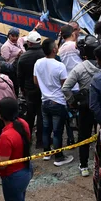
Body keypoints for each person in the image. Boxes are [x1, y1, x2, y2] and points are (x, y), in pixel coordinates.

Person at [62, 35, 101, 176]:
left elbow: (66, 88)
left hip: (85, 106)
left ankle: (84, 165)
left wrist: (72, 102)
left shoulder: (79, 68)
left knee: (84, 136)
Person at [33, 38, 74, 166]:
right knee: (57, 131)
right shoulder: (60, 65)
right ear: (54, 50)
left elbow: (35, 81)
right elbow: (65, 85)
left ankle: (47, 153)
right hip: (58, 102)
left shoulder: (38, 63)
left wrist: (45, 90)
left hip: (44, 101)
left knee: (46, 128)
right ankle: (59, 157)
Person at [16, 31, 45, 147]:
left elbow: (20, 76)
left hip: (29, 90)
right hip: (43, 89)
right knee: (41, 116)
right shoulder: (45, 54)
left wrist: (22, 89)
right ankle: (40, 141)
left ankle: (26, 140)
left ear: (29, 43)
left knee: (30, 115)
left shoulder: (23, 57)